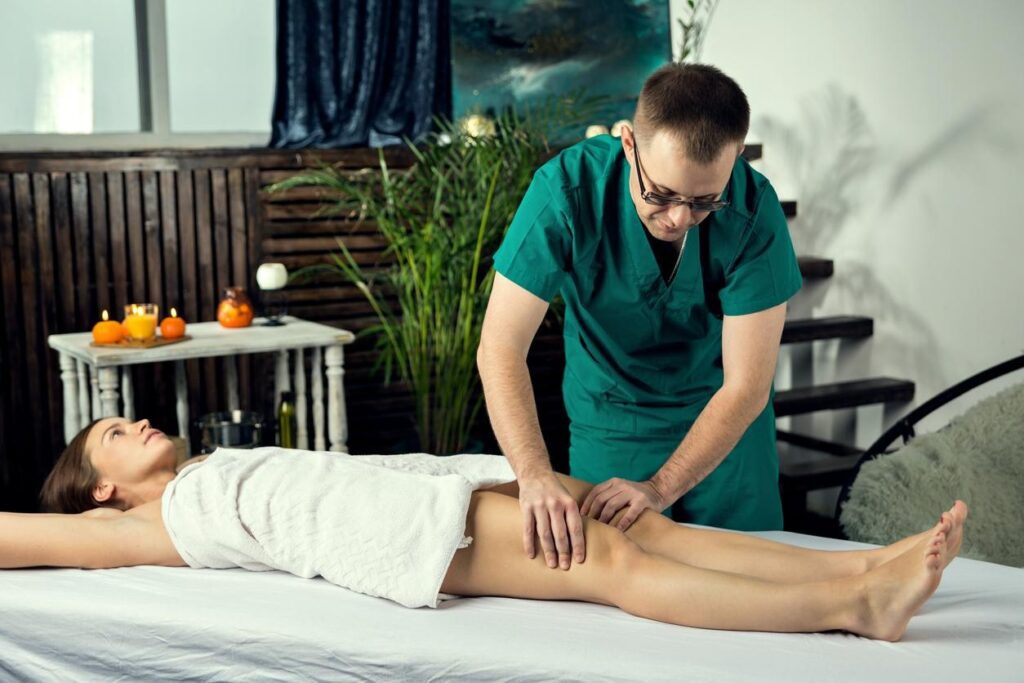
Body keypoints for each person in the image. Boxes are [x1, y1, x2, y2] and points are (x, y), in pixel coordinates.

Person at [2, 417, 967, 642]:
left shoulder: (208, 469)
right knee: (610, 562)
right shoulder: (147, 527)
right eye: (113, 435)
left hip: (430, 484)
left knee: (634, 520)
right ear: (100, 493)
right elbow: (22, 538)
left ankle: (868, 562)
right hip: (401, 534)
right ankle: (854, 601)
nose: (133, 423)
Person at [477, 62, 803, 571]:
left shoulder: (753, 211)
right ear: (628, 144)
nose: (678, 219)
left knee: (752, 578)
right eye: (661, 195)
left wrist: (660, 487)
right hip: (614, 419)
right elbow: (500, 346)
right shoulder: (566, 192)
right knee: (616, 579)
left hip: (725, 429)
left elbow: (746, 387)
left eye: (703, 202)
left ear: (736, 158)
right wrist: (536, 475)